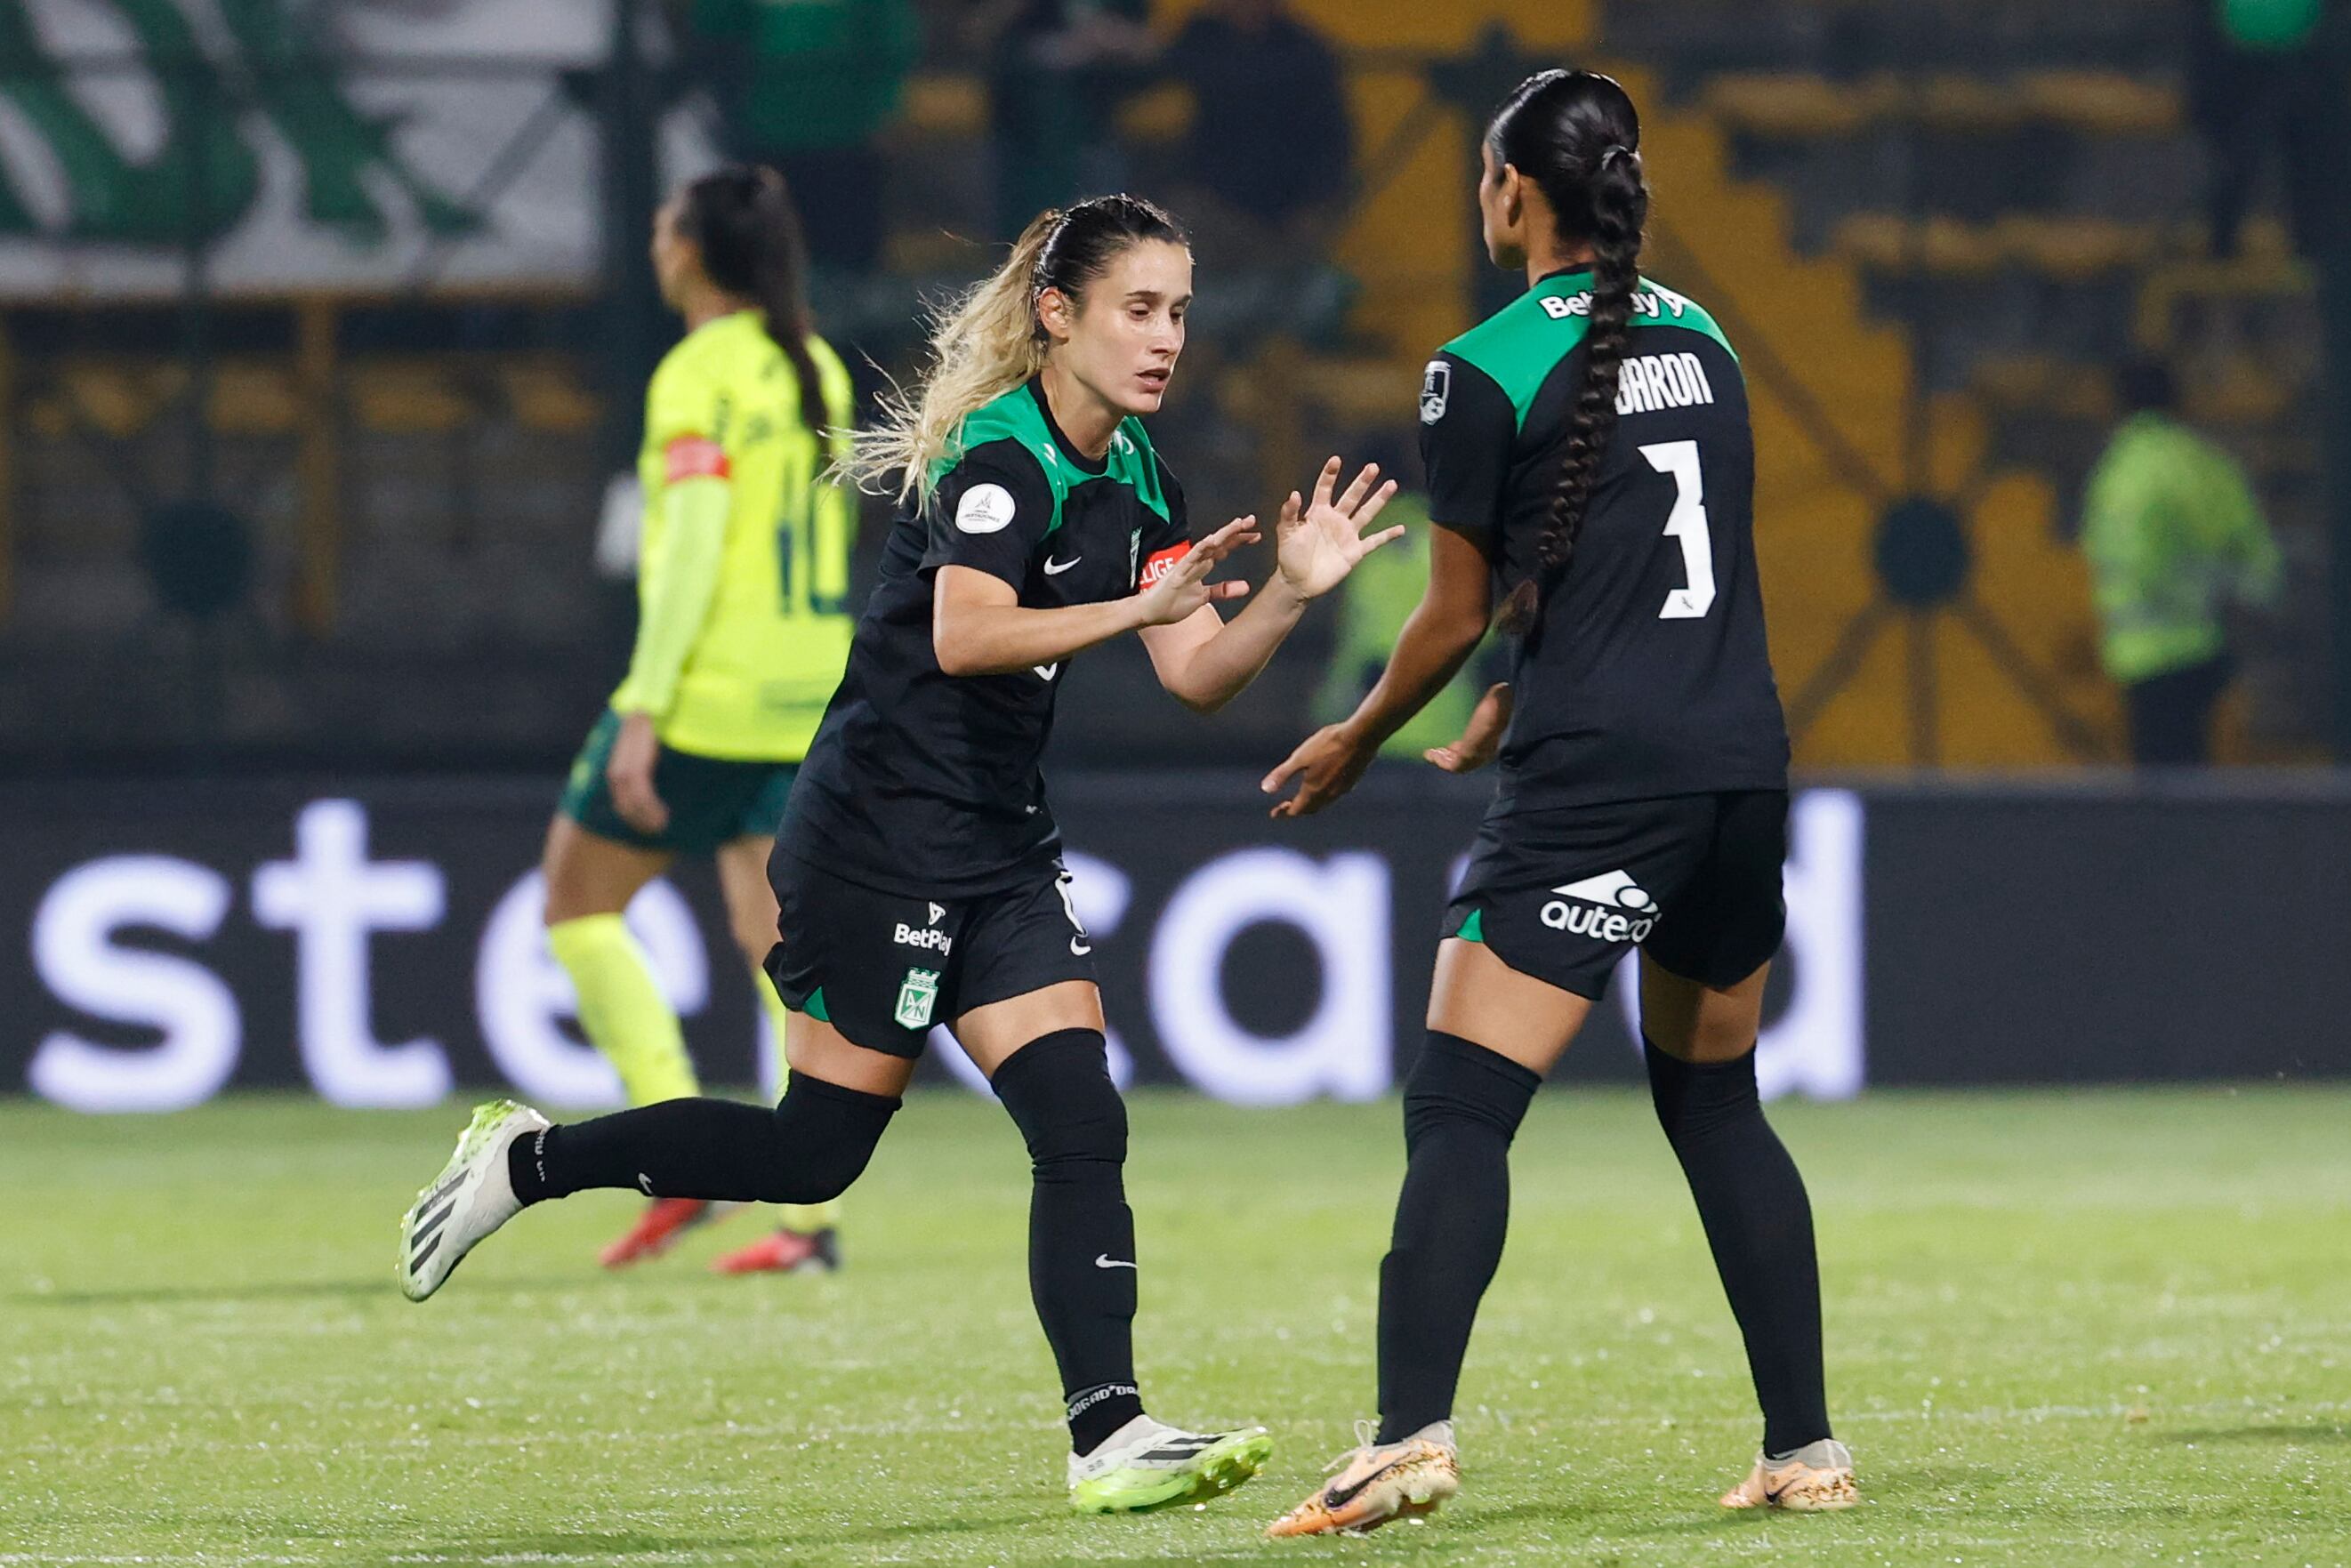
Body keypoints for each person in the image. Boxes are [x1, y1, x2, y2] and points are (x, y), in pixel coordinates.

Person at [399, 194, 1403, 1515]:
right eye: (1138, 308)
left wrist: (1282, 588)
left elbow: (1194, 671)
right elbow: (965, 634)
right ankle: (526, 1160)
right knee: (814, 1153)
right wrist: (1132, 605)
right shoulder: (999, 456)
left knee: (1077, 1115)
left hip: (995, 840)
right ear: (1057, 313)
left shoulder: (1133, 468)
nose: (1166, 337)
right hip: (877, 838)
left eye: (1178, 311)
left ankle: (1107, 1429)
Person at [1260, 70, 1856, 1536]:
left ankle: (1404, 1436)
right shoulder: (1708, 338)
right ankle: (1806, 1447)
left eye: (1484, 174)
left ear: (1513, 194)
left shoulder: (1477, 369)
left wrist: (1352, 733)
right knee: (1716, 1099)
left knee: (1460, 1099)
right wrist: (1536, 683)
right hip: (1738, 766)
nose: (1481, 195)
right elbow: (1660, 567)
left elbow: (1448, 610)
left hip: (1601, 785)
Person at [541, 165, 858, 1276]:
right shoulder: (811, 361)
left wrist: (642, 707)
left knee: (578, 904)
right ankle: (809, 1224)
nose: (654, 236)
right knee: (780, 945)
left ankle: (677, 1150)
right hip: (808, 692)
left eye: (663, 221)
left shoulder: (698, 372)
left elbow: (690, 562)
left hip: (710, 695)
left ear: (690, 249)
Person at [2079, 358, 2283, 766]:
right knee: (2194, 783)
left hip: (2133, 655)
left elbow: (2102, 558)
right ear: (2179, 401)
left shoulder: (2115, 473)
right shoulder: (2200, 465)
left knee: (2157, 785)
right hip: (2201, 646)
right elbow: (2251, 556)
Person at [684, 0, 922, 272]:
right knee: (773, 260)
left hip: (848, 140)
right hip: (768, 137)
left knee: (848, 261)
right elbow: (713, 27)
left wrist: (885, 109)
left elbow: (894, 42)